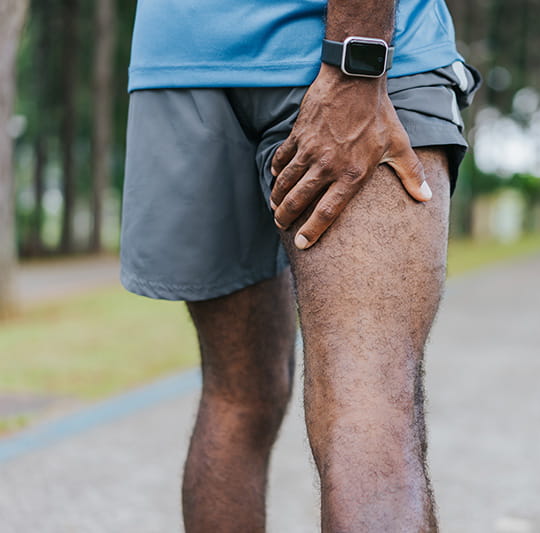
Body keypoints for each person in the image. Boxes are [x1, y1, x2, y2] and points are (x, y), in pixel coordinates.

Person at [121, 1, 478, 531]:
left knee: (234, 398)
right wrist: (358, 61)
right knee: (368, 402)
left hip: (179, 54)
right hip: (344, 57)